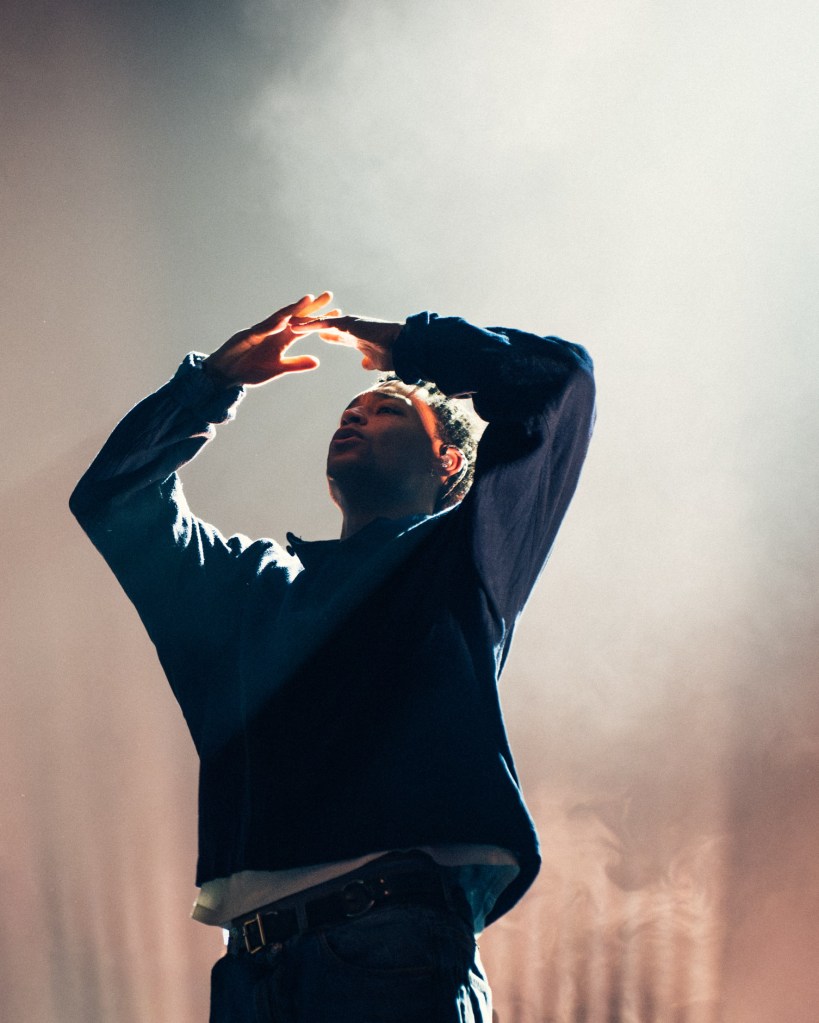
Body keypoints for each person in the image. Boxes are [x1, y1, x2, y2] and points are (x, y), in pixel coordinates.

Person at [70, 292, 596, 1022]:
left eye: (387, 409)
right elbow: (114, 497)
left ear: (447, 460)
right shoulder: (249, 588)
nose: (355, 414)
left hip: (393, 952)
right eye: (350, 409)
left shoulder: (458, 559)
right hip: (249, 973)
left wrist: (413, 348)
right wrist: (214, 381)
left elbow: (560, 382)